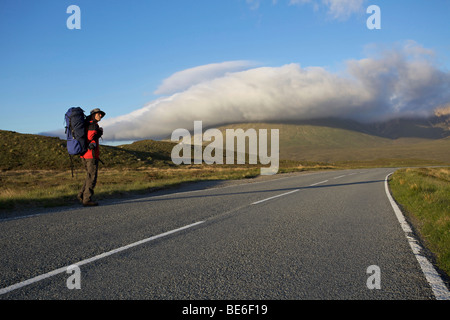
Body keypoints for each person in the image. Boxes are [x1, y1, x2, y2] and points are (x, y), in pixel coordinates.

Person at [77, 108, 106, 206]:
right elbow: (90, 138)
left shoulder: (86, 123)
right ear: (94, 115)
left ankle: (81, 195)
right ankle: (87, 199)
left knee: (89, 176)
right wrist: (98, 133)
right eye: (99, 114)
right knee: (92, 177)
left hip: (84, 154)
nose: (100, 116)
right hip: (91, 155)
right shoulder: (92, 124)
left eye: (101, 114)